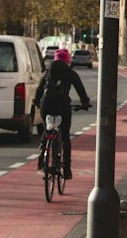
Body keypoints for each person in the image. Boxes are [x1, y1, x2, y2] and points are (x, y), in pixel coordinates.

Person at [34, 47, 90, 179]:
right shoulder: (70, 73)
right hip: (62, 106)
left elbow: (39, 89)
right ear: (68, 61)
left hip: (46, 105)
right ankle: (67, 169)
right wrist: (84, 103)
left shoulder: (48, 71)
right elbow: (80, 90)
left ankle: (42, 157)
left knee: (47, 130)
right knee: (65, 135)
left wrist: (37, 102)